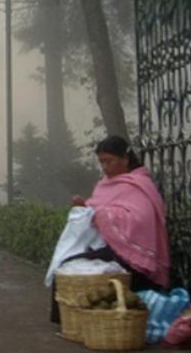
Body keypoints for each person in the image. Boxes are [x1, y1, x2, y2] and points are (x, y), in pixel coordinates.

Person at [50, 134, 170, 323]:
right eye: (101, 162)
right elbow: (98, 209)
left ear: (125, 158)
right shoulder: (105, 185)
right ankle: (68, 320)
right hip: (110, 248)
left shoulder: (139, 185)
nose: (105, 167)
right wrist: (86, 208)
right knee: (66, 265)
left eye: (109, 161)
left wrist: (98, 213)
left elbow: (140, 220)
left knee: (78, 265)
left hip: (132, 259)